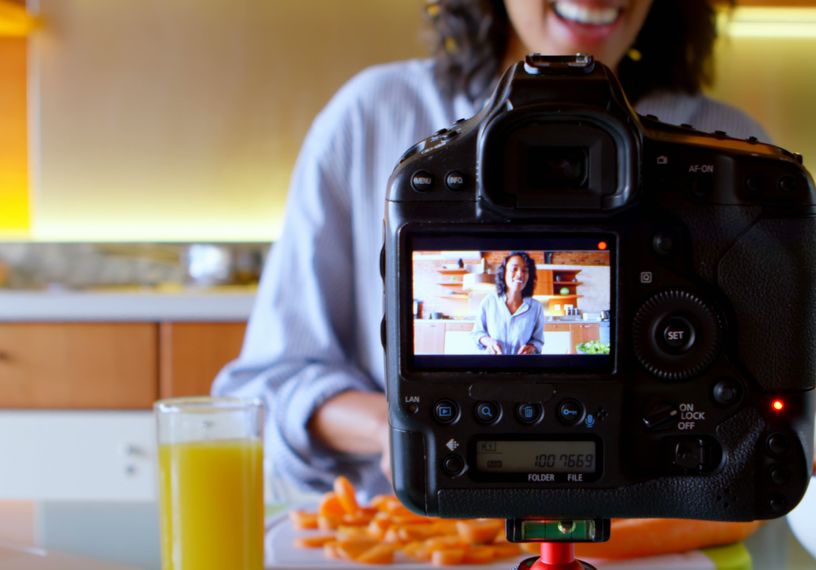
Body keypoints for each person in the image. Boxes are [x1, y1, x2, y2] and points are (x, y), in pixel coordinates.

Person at [212, 0, 768, 500]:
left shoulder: (732, 157)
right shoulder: (371, 119)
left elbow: (765, 415)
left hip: (657, 543)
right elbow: (265, 389)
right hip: (419, 546)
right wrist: (401, 427)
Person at [472, 252, 545, 355]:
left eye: (525, 270)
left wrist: (531, 347)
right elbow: (476, 334)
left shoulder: (536, 307)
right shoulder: (489, 302)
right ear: (504, 272)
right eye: (514, 269)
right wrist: (488, 341)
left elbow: (538, 341)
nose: (520, 274)